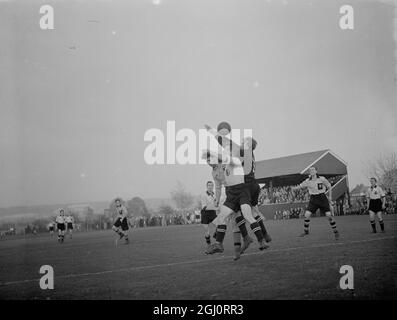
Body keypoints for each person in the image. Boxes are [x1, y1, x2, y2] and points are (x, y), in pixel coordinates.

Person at [292, 166, 340, 240]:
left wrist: (330, 197)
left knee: (329, 216)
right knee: (307, 215)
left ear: (316, 171)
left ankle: (335, 232)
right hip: (313, 199)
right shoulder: (308, 181)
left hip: (322, 198)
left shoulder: (322, 179)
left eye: (313, 170)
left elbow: (329, 186)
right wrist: (294, 188)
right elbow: (300, 186)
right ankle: (306, 231)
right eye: (310, 170)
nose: (311, 171)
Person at [200, 181, 218, 250]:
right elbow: (204, 207)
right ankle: (209, 245)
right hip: (205, 213)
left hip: (212, 213)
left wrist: (217, 206)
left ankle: (215, 235)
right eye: (209, 185)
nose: (210, 187)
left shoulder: (214, 194)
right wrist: (215, 207)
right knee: (207, 232)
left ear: (213, 186)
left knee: (219, 225)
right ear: (207, 186)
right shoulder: (203, 195)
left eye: (211, 185)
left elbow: (216, 204)